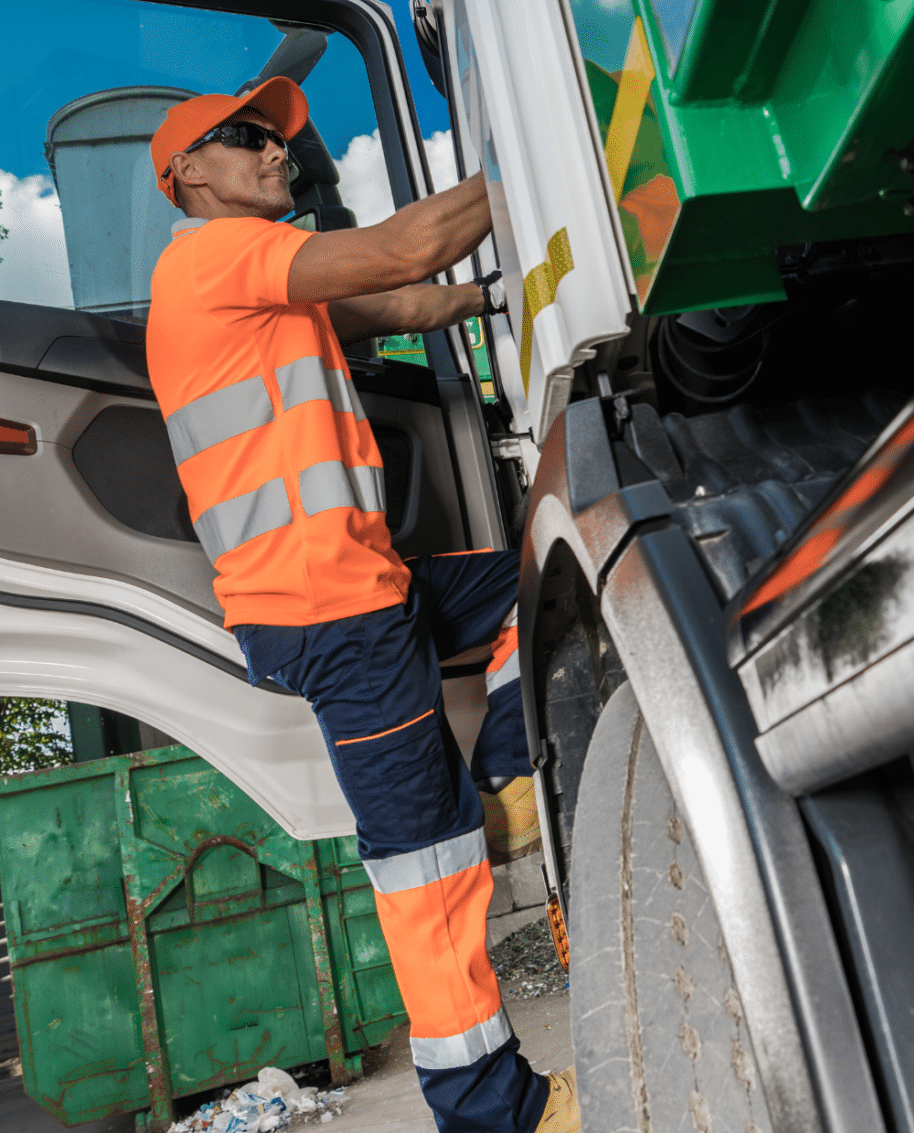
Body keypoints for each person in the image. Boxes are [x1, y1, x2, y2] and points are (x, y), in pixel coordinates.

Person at [144, 76, 576, 1133]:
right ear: (187, 172)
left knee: (546, 573)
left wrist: (486, 300)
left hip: (363, 592)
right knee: (427, 870)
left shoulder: (268, 285)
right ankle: (491, 1112)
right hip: (329, 617)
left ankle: (509, 778)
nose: (272, 151)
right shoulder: (212, 257)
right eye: (247, 138)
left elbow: (407, 298)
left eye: (276, 138)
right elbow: (400, 251)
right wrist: (542, 150)